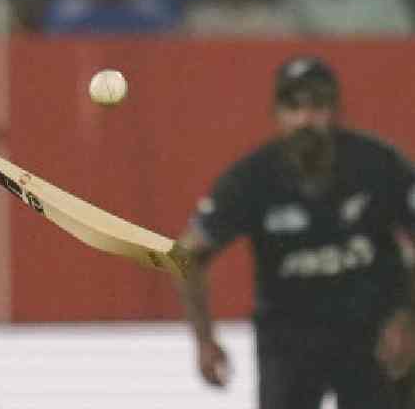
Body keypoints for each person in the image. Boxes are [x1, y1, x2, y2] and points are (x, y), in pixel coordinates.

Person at [176, 56, 415, 409]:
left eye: (318, 105)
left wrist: (406, 318)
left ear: (336, 111)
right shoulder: (252, 179)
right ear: (277, 115)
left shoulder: (379, 166)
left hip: (374, 331)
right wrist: (204, 340)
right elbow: (189, 254)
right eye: (294, 106)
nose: (305, 119)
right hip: (289, 338)